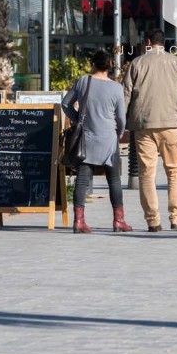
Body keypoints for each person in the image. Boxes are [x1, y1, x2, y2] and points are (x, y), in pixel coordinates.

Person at [123, 28, 177, 233]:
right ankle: (176, 218)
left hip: (144, 125)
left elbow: (125, 96)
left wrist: (123, 122)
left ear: (148, 42)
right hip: (171, 124)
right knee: (174, 171)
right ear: (163, 43)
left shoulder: (137, 63)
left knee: (147, 174)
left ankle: (153, 221)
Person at [61, 50, 130, 234]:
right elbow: (121, 119)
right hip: (109, 140)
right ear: (109, 66)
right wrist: (119, 133)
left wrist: (77, 120)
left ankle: (79, 221)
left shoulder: (84, 81)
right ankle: (119, 221)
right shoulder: (116, 88)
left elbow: (66, 103)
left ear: (93, 64)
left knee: (82, 179)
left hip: (87, 139)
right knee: (114, 180)